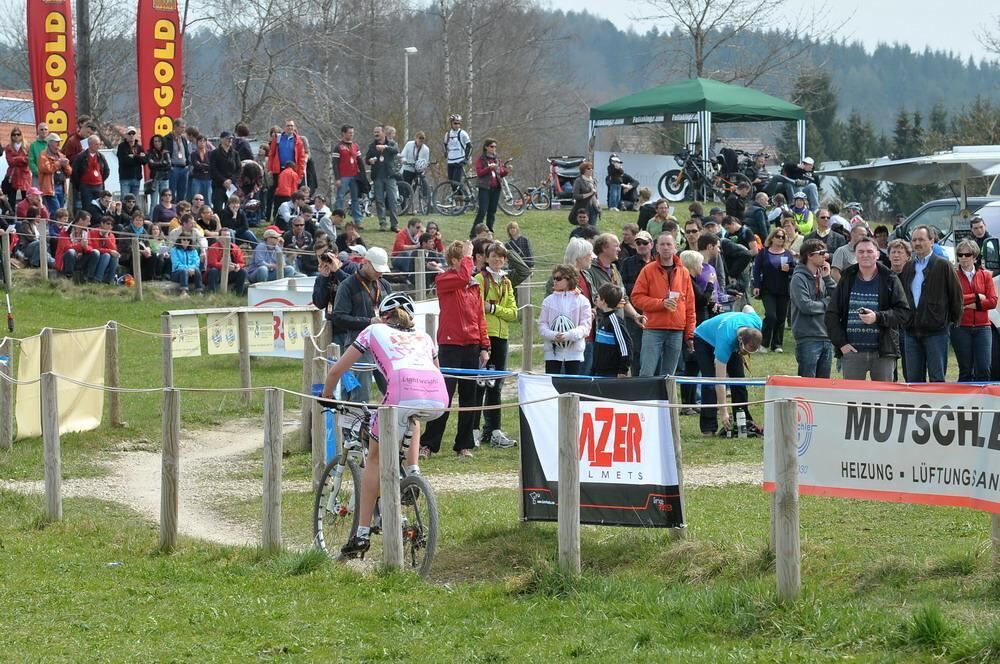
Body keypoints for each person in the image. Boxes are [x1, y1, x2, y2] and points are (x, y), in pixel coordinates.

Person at [320, 292, 448, 558]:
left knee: (375, 460)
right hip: (438, 396)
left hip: (401, 391)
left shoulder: (372, 330)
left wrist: (327, 395)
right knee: (412, 416)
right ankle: (413, 472)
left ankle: (362, 532)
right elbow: (434, 369)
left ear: (383, 315)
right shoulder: (424, 336)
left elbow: (336, 370)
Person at [420, 240, 490, 458]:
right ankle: (429, 443)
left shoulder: (474, 286)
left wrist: (484, 345)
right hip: (450, 345)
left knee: (470, 397)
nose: (470, 263)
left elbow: (480, 316)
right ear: (454, 261)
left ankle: (464, 444)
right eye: (465, 259)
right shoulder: (445, 280)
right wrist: (468, 256)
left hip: (471, 344)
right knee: (444, 396)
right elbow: (461, 277)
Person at [825, 237, 911, 381]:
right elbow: (831, 314)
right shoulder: (847, 278)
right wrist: (842, 344)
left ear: (877, 254)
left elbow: (903, 312)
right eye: (861, 251)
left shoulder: (890, 278)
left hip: (883, 352)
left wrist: (877, 317)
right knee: (852, 400)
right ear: (855, 255)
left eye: (870, 251)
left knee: (883, 399)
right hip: (852, 352)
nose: (865, 255)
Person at [898, 225, 963, 383]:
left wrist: (950, 322)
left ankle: (938, 409)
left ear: (932, 241)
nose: (917, 243)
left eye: (921, 239)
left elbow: (956, 296)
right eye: (914, 240)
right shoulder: (908, 267)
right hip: (911, 332)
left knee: (937, 378)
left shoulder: (943, 265)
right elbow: (902, 297)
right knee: (913, 381)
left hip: (936, 332)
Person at [332, 246, 394, 403]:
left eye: (382, 269)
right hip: (358, 346)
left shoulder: (384, 284)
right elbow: (339, 317)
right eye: (377, 269)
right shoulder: (347, 285)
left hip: (383, 344)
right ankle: (355, 427)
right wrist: (369, 322)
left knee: (392, 388)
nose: (380, 273)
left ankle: (394, 425)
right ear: (365, 263)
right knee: (360, 393)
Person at [631, 231, 696, 377]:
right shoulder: (647, 270)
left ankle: (667, 400)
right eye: (662, 244)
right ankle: (645, 400)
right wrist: (661, 304)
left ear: (675, 247)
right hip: (653, 329)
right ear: (656, 247)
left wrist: (690, 334)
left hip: (676, 331)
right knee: (647, 373)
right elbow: (636, 298)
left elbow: (690, 306)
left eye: (669, 244)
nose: (666, 247)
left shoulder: (684, 272)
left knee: (669, 376)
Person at [474, 242, 518, 448]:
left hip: (502, 337)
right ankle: (473, 429)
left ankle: (494, 430)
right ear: (486, 257)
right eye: (493, 256)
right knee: (480, 384)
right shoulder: (480, 279)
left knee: (496, 385)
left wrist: (492, 307)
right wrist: (497, 309)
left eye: (501, 257)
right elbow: (477, 309)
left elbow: (513, 313)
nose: (497, 260)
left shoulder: (507, 282)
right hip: (485, 336)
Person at [692, 308, 763, 436]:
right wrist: (724, 412)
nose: (746, 354)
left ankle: (742, 421)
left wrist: (738, 315)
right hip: (704, 338)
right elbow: (720, 381)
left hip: (730, 332)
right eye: (745, 351)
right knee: (710, 382)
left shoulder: (756, 322)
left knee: (739, 381)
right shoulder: (725, 342)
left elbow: (747, 306)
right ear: (740, 340)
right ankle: (709, 427)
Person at [950, 239, 997, 382]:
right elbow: (953, 299)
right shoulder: (953, 275)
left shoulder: (986, 275)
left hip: (983, 328)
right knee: (965, 369)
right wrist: (976, 296)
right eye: (960, 254)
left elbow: (993, 301)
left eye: (967, 254)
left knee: (984, 368)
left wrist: (973, 305)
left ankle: (983, 402)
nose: (963, 257)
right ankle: (965, 403)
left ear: (974, 256)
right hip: (961, 328)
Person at [789, 239, 836, 378]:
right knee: (808, 384)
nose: (825, 256)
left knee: (823, 385)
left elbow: (837, 299)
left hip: (826, 337)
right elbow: (806, 306)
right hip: (808, 337)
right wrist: (827, 303)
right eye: (821, 253)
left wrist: (828, 279)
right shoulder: (798, 278)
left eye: (825, 252)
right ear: (809, 255)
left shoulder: (822, 276)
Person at [539, 264, 592, 375]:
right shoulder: (548, 301)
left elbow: (586, 326)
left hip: (575, 351)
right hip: (552, 352)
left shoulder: (582, 301)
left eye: (558, 278)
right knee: (552, 384)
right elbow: (542, 324)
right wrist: (553, 335)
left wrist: (569, 335)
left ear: (569, 280)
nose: (555, 281)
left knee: (573, 385)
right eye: (554, 278)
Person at [752, 227, 795, 353]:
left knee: (781, 317)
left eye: (783, 237)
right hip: (767, 289)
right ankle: (764, 343)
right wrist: (756, 286)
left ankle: (777, 344)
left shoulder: (787, 253)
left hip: (784, 289)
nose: (781, 239)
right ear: (772, 238)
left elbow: (794, 269)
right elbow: (756, 270)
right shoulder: (764, 253)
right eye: (778, 236)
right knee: (771, 316)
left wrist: (789, 270)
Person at [592, 283, 633, 377]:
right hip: (600, 372)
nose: (596, 299)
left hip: (611, 373)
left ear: (603, 301)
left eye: (598, 296)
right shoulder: (603, 319)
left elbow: (625, 346)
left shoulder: (614, 321)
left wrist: (623, 370)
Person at [471, 139, 509, 236]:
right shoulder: (481, 159)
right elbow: (479, 173)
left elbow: (500, 173)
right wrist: (489, 168)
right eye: (492, 146)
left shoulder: (496, 159)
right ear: (486, 147)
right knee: (482, 211)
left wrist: (507, 171)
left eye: (495, 147)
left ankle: (489, 232)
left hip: (496, 188)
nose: (494, 149)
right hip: (484, 188)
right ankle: (474, 233)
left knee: (492, 211)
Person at [366, 125, 400, 232]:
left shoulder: (391, 143)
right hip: (377, 177)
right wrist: (370, 160)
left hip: (390, 176)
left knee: (393, 200)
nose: (376, 134)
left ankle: (394, 225)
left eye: (378, 132)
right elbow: (367, 159)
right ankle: (382, 224)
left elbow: (396, 150)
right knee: (379, 201)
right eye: (374, 132)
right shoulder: (372, 146)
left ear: (383, 133)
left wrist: (385, 147)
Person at [332, 125, 365, 228]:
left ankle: (358, 221)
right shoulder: (338, 147)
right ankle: (338, 221)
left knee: (355, 199)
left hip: (354, 176)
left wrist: (363, 174)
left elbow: (359, 160)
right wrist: (337, 178)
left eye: (352, 133)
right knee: (340, 198)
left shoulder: (355, 146)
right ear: (343, 133)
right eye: (349, 133)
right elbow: (335, 164)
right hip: (343, 176)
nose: (351, 135)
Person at [70, 136, 110, 213]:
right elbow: (75, 172)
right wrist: (80, 184)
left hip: (98, 186)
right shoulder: (81, 157)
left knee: (99, 207)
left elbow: (106, 170)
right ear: (90, 144)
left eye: (99, 144)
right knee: (87, 207)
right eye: (96, 144)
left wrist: (101, 180)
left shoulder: (101, 156)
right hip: (86, 186)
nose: (98, 146)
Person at [38, 134, 72, 216]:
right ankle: (53, 228)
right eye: (56, 142)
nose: (59, 144)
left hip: (62, 187)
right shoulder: (43, 156)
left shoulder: (61, 155)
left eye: (59, 142)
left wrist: (66, 165)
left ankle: (58, 228)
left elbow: (69, 172)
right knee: (56, 212)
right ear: (50, 143)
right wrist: (59, 163)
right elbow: (47, 169)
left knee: (61, 211)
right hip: (50, 188)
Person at [206, 228, 248, 294]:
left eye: (228, 235)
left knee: (243, 272)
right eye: (224, 235)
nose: (227, 237)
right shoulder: (213, 247)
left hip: (231, 272)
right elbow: (212, 263)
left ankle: (238, 294)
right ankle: (212, 293)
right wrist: (225, 266)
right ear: (219, 237)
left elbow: (241, 262)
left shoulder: (235, 247)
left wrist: (238, 266)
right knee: (213, 271)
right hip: (218, 273)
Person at [209, 131, 241, 214]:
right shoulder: (215, 153)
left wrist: (230, 180)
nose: (230, 140)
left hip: (231, 186)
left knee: (232, 208)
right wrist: (223, 180)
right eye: (227, 138)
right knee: (218, 208)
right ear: (221, 140)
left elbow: (238, 169)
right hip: (218, 185)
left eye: (231, 139)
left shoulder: (235, 153)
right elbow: (213, 169)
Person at [164, 117, 191, 202]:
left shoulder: (183, 139)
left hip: (183, 168)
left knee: (182, 192)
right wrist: (169, 166)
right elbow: (165, 153)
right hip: (173, 168)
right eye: (182, 127)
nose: (183, 129)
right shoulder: (167, 138)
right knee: (172, 191)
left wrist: (187, 164)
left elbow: (187, 153)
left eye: (184, 127)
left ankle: (181, 211)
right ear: (175, 127)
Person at [400, 131, 430, 203]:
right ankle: (404, 202)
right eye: (419, 139)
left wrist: (423, 167)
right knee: (405, 186)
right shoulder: (409, 144)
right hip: (408, 168)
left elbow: (426, 161)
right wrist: (404, 160)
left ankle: (427, 199)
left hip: (418, 170)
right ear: (416, 138)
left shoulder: (426, 149)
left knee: (423, 182)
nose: (421, 141)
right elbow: (403, 155)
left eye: (422, 140)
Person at [4, 128, 31, 204]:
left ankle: (24, 214)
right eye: (14, 134)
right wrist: (22, 159)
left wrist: (17, 158)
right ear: (11, 136)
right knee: (11, 198)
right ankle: (11, 213)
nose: (16, 136)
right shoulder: (8, 147)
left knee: (25, 198)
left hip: (24, 175)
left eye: (18, 134)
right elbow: (10, 162)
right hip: (13, 175)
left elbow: (28, 160)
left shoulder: (27, 147)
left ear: (21, 135)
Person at [443, 114, 471, 186]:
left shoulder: (462, 133)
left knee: (456, 183)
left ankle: (460, 196)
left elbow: (469, 146)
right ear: (451, 123)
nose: (457, 125)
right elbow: (445, 144)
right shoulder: (448, 134)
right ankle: (458, 197)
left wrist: (466, 159)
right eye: (455, 123)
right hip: (450, 161)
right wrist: (445, 152)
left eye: (459, 123)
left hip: (459, 161)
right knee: (452, 183)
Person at [570, 161, 600, 226]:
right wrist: (590, 194)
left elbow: (596, 193)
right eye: (588, 168)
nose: (591, 170)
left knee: (593, 228)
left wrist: (597, 201)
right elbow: (575, 196)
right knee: (583, 228)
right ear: (583, 170)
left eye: (592, 168)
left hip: (594, 208)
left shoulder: (593, 180)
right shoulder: (579, 181)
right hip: (583, 208)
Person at [93, 216, 121, 284]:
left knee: (115, 257)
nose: (110, 226)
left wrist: (106, 238)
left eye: (111, 225)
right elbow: (96, 248)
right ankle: (97, 279)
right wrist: (110, 251)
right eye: (108, 224)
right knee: (106, 255)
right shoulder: (94, 232)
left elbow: (114, 248)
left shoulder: (111, 235)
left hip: (106, 255)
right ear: (102, 223)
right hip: (96, 255)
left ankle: (110, 281)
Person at [188, 134, 213, 206]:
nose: (202, 143)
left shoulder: (210, 153)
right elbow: (196, 165)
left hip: (208, 179)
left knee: (208, 199)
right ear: (197, 142)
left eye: (204, 141)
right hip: (197, 179)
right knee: (196, 199)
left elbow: (212, 166)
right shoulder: (194, 154)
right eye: (200, 141)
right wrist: (205, 166)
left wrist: (201, 165)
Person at [27, 122, 49, 187]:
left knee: (49, 196)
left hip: (50, 176)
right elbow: (31, 162)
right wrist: (38, 173)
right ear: (38, 131)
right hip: (37, 177)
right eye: (41, 129)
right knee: (38, 196)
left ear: (48, 131)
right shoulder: (33, 145)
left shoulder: (52, 143)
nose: (44, 131)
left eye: (45, 129)